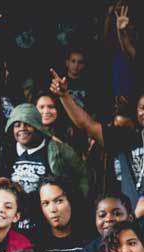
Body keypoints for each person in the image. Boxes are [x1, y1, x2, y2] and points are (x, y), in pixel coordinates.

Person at [53, 74, 144, 212]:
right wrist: (64, 96)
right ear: (136, 112)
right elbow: (87, 125)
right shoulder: (127, 138)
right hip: (131, 221)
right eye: (142, 108)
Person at [34, 177, 89, 252]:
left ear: (71, 200)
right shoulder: (34, 242)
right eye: (46, 203)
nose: (53, 209)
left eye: (59, 201)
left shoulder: (89, 241)